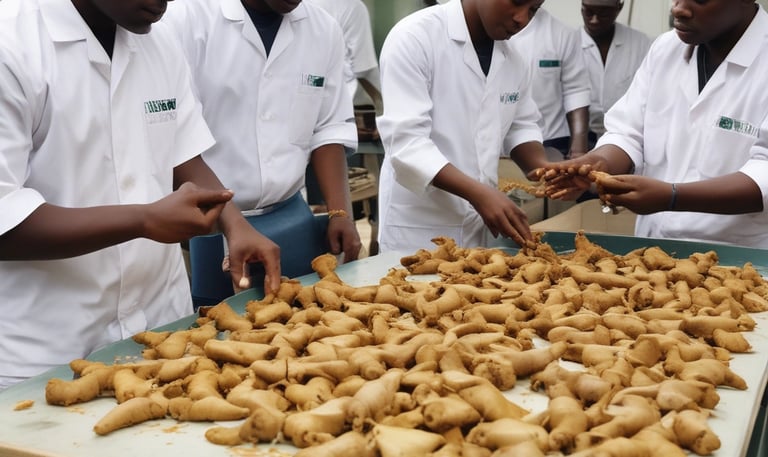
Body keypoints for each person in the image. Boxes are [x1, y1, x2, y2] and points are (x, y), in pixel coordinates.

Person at [0, 0, 281, 390]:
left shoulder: (159, 44)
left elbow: (183, 153)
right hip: (46, 347)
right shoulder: (11, 42)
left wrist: (234, 224)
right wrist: (144, 220)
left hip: (160, 328)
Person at [164, 0, 362, 307]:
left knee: (305, 324)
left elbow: (328, 127)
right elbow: (178, 137)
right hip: (213, 223)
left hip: (292, 216)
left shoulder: (323, 29)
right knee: (224, 334)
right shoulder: (187, 19)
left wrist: (340, 212)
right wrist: (233, 224)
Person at [542, 0, 768, 249]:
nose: (678, 9)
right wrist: (596, 164)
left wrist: (672, 197)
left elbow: (764, 172)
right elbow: (628, 133)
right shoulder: (665, 48)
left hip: (737, 255)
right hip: (653, 247)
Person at [376, 0, 550, 253]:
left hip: (477, 230)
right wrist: (479, 194)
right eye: (517, 2)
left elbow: (521, 125)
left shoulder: (513, 58)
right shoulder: (415, 37)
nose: (522, 19)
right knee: (413, 290)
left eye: (533, 9)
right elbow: (407, 144)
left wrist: (546, 170)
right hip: (420, 228)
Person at [510, 5, 591, 162]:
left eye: (533, 7)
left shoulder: (562, 33)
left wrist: (578, 152)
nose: (521, 18)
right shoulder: (494, 31)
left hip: (549, 141)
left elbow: (576, 90)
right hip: (494, 143)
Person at [581, 0, 650, 138]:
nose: (594, 20)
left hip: (626, 134)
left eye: (604, 14)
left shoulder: (641, 43)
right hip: (578, 135)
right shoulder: (569, 42)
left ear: (619, 8)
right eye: (589, 12)